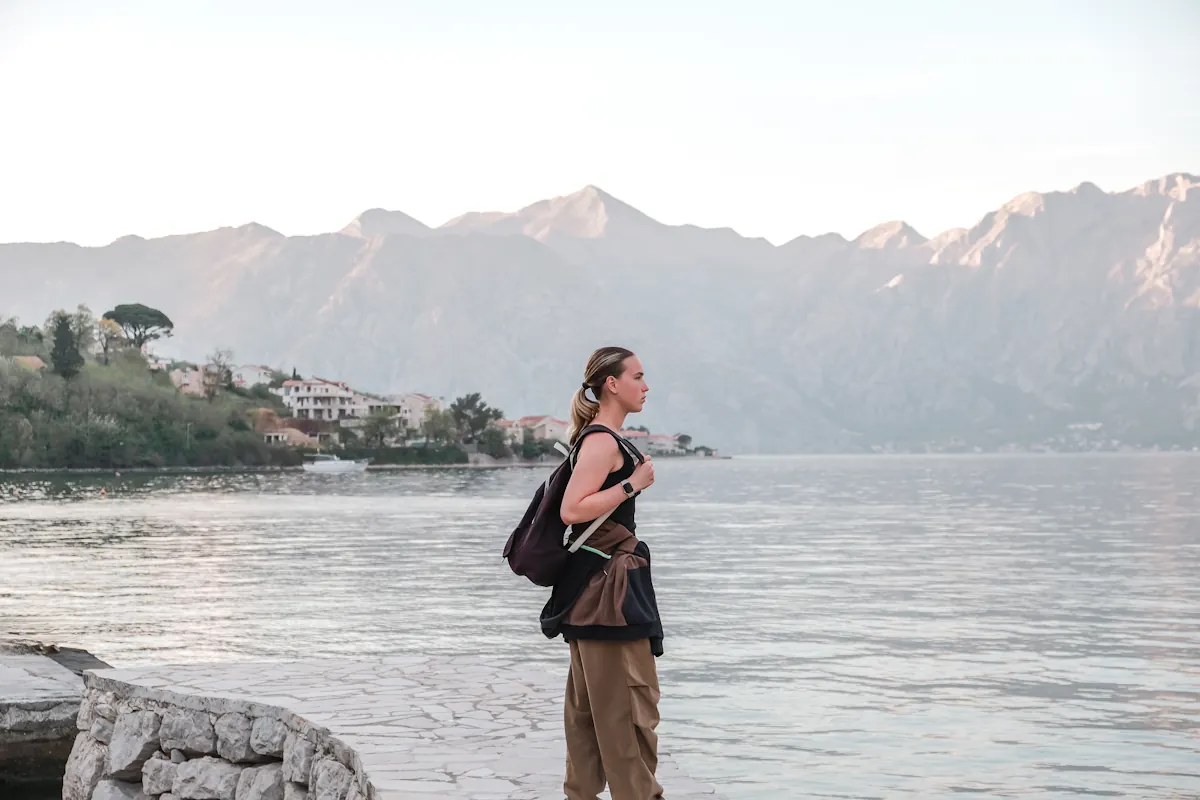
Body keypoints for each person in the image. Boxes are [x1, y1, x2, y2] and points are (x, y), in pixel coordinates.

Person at [541, 345, 665, 800]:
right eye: (637, 376)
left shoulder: (603, 439)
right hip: (606, 598)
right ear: (611, 384)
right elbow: (574, 509)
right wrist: (633, 483)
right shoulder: (601, 442)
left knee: (590, 719)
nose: (646, 386)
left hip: (596, 594)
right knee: (625, 717)